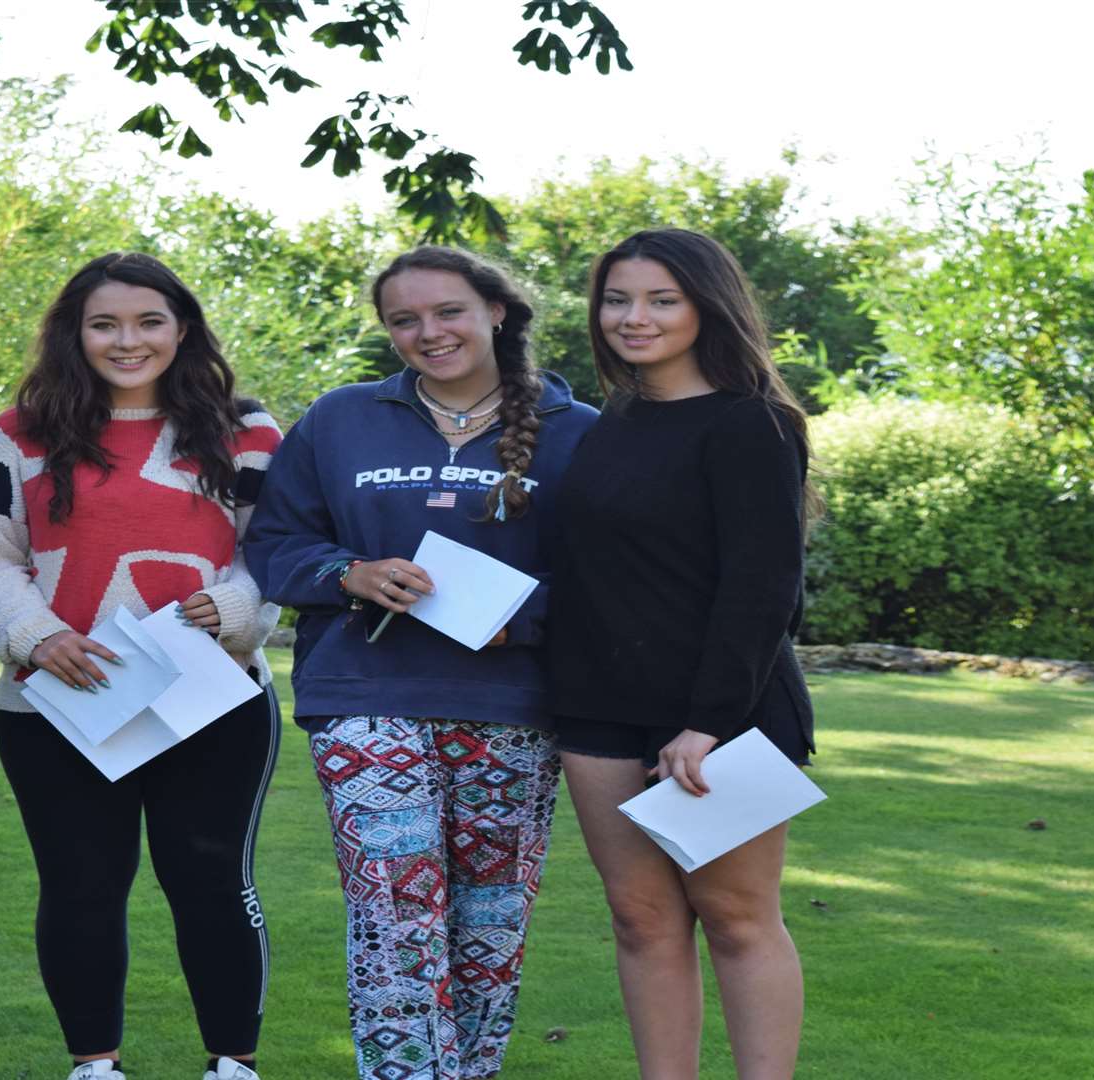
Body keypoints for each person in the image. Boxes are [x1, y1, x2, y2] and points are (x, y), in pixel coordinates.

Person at [244, 246, 598, 1080]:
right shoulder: (339, 420)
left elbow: (618, 576)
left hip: (514, 705)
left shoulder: (578, 433)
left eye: (446, 312)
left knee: (490, 925)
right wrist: (348, 573)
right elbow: (274, 542)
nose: (427, 332)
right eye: (404, 320)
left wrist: (527, 619)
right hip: (366, 697)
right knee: (394, 915)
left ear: (495, 311)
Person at [0, 252, 283, 1080]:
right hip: (58, 703)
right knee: (80, 886)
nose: (127, 340)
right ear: (75, 331)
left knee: (210, 881)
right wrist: (38, 637)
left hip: (211, 699)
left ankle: (233, 1065)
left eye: (149, 321)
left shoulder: (247, 432)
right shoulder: (19, 433)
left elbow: (276, 554)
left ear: (182, 327)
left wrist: (239, 609)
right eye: (104, 323)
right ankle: (95, 1065)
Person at [546, 227, 818, 1080]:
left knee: (737, 919)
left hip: (718, 715)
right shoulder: (611, 421)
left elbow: (763, 589)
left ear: (708, 306)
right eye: (617, 299)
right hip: (597, 710)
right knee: (639, 920)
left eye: (662, 299)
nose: (635, 318)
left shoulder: (753, 425)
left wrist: (708, 722)